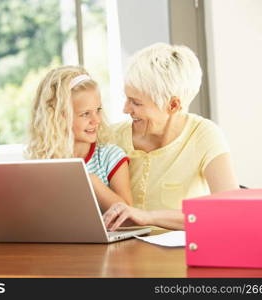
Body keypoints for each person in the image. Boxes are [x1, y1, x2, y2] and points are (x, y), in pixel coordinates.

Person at [103, 43, 239, 231]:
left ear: (173, 105)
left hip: (180, 256)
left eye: (136, 103)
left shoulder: (204, 135)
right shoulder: (112, 136)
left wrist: (149, 217)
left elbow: (231, 210)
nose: (125, 109)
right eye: (127, 98)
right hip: (121, 254)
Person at [26, 66, 132, 211]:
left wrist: (91, 181)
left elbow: (130, 218)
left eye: (98, 110)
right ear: (59, 117)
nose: (96, 120)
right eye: (85, 114)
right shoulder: (43, 162)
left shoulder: (110, 157)